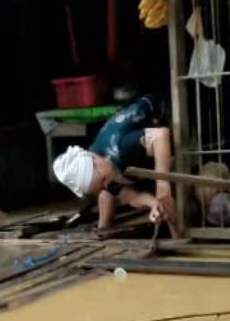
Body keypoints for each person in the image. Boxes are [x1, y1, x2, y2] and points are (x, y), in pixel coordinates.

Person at [52, 93, 179, 236]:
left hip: (169, 112)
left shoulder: (120, 146)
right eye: (100, 186)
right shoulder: (99, 166)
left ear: (95, 159)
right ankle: (104, 230)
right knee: (108, 193)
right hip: (134, 146)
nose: (107, 184)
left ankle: (178, 241)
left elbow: (161, 135)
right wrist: (154, 204)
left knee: (166, 195)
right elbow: (131, 197)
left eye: (103, 180)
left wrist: (162, 189)